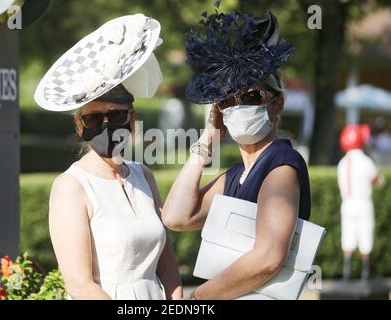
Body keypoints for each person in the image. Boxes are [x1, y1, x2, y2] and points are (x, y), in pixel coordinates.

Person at [162, 8, 311, 300]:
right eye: (228, 99)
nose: (238, 106)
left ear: (276, 104)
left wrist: (199, 298)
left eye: (251, 96)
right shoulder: (234, 175)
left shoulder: (281, 164)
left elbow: (268, 257)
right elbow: (176, 216)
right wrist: (208, 137)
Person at [34, 14, 182, 300]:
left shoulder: (144, 175)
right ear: (79, 126)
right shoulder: (71, 187)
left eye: (116, 115)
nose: (106, 125)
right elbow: (79, 284)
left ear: (132, 118)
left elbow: (167, 265)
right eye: (92, 119)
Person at [338, 124, 383, 280]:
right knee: (365, 235)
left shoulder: (342, 163)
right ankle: (365, 273)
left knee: (348, 236)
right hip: (363, 202)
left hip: (347, 203)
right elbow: (377, 181)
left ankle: (346, 272)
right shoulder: (365, 161)